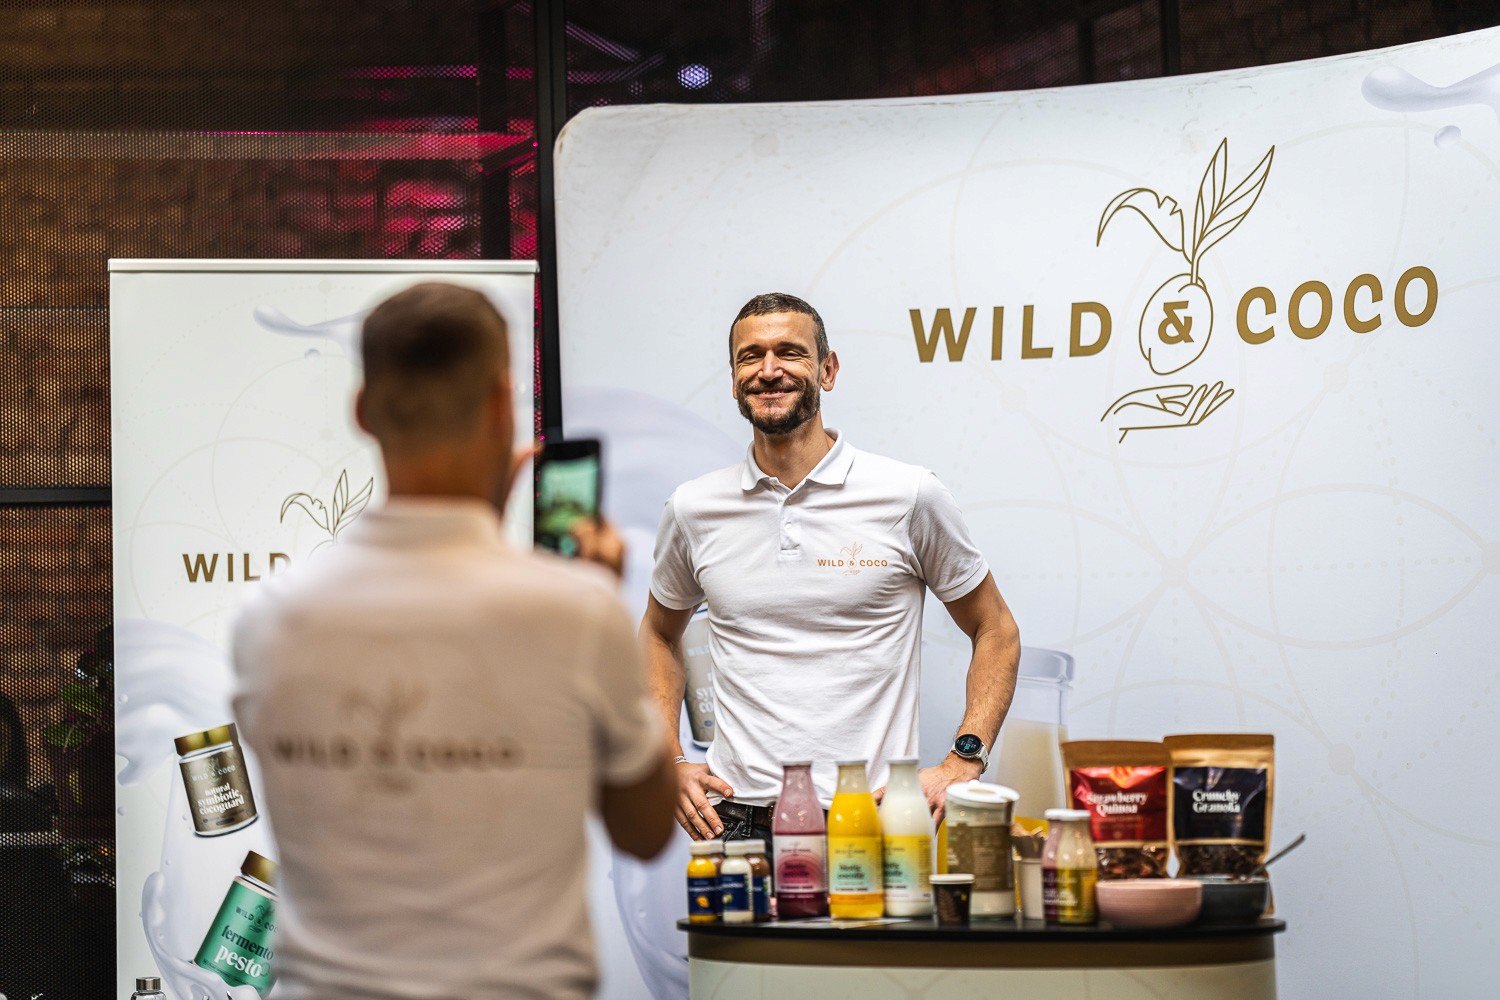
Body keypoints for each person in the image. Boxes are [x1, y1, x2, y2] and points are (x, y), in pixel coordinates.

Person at [231, 282, 675, 1000]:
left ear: (363, 411)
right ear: (503, 404)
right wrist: (602, 602)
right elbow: (646, 828)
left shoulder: (271, 620)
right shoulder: (573, 613)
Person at [640, 292, 1021, 844]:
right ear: (732, 379)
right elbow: (657, 633)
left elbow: (996, 629)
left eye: (789, 352)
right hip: (739, 820)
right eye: (751, 357)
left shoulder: (907, 494)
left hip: (876, 818)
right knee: (738, 940)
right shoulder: (693, 508)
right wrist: (668, 758)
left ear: (827, 369)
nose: (769, 370)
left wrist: (966, 758)